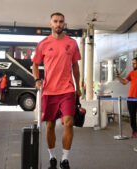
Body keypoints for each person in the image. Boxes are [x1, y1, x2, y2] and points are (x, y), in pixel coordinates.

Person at [32, 12, 81, 169]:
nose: (58, 24)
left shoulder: (72, 43)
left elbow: (75, 66)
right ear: (50, 24)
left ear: (64, 24)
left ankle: (65, 159)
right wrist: (37, 79)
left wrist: (78, 87)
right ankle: (52, 156)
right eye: (55, 21)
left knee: (68, 123)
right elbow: (35, 64)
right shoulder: (43, 44)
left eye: (61, 21)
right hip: (48, 90)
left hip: (67, 89)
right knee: (50, 126)